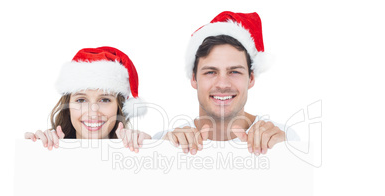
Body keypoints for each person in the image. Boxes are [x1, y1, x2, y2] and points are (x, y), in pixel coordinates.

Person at [154, 11, 298, 155]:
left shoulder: (284, 139)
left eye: (234, 72)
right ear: (193, 79)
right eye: (210, 72)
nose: (222, 84)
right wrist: (162, 152)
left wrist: (284, 153)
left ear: (251, 78)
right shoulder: (164, 142)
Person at [25, 46, 151, 152]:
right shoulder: (47, 149)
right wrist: (36, 150)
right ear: (68, 106)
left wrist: (151, 149)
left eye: (105, 100)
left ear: (119, 107)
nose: (93, 112)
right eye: (81, 100)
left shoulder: (138, 149)